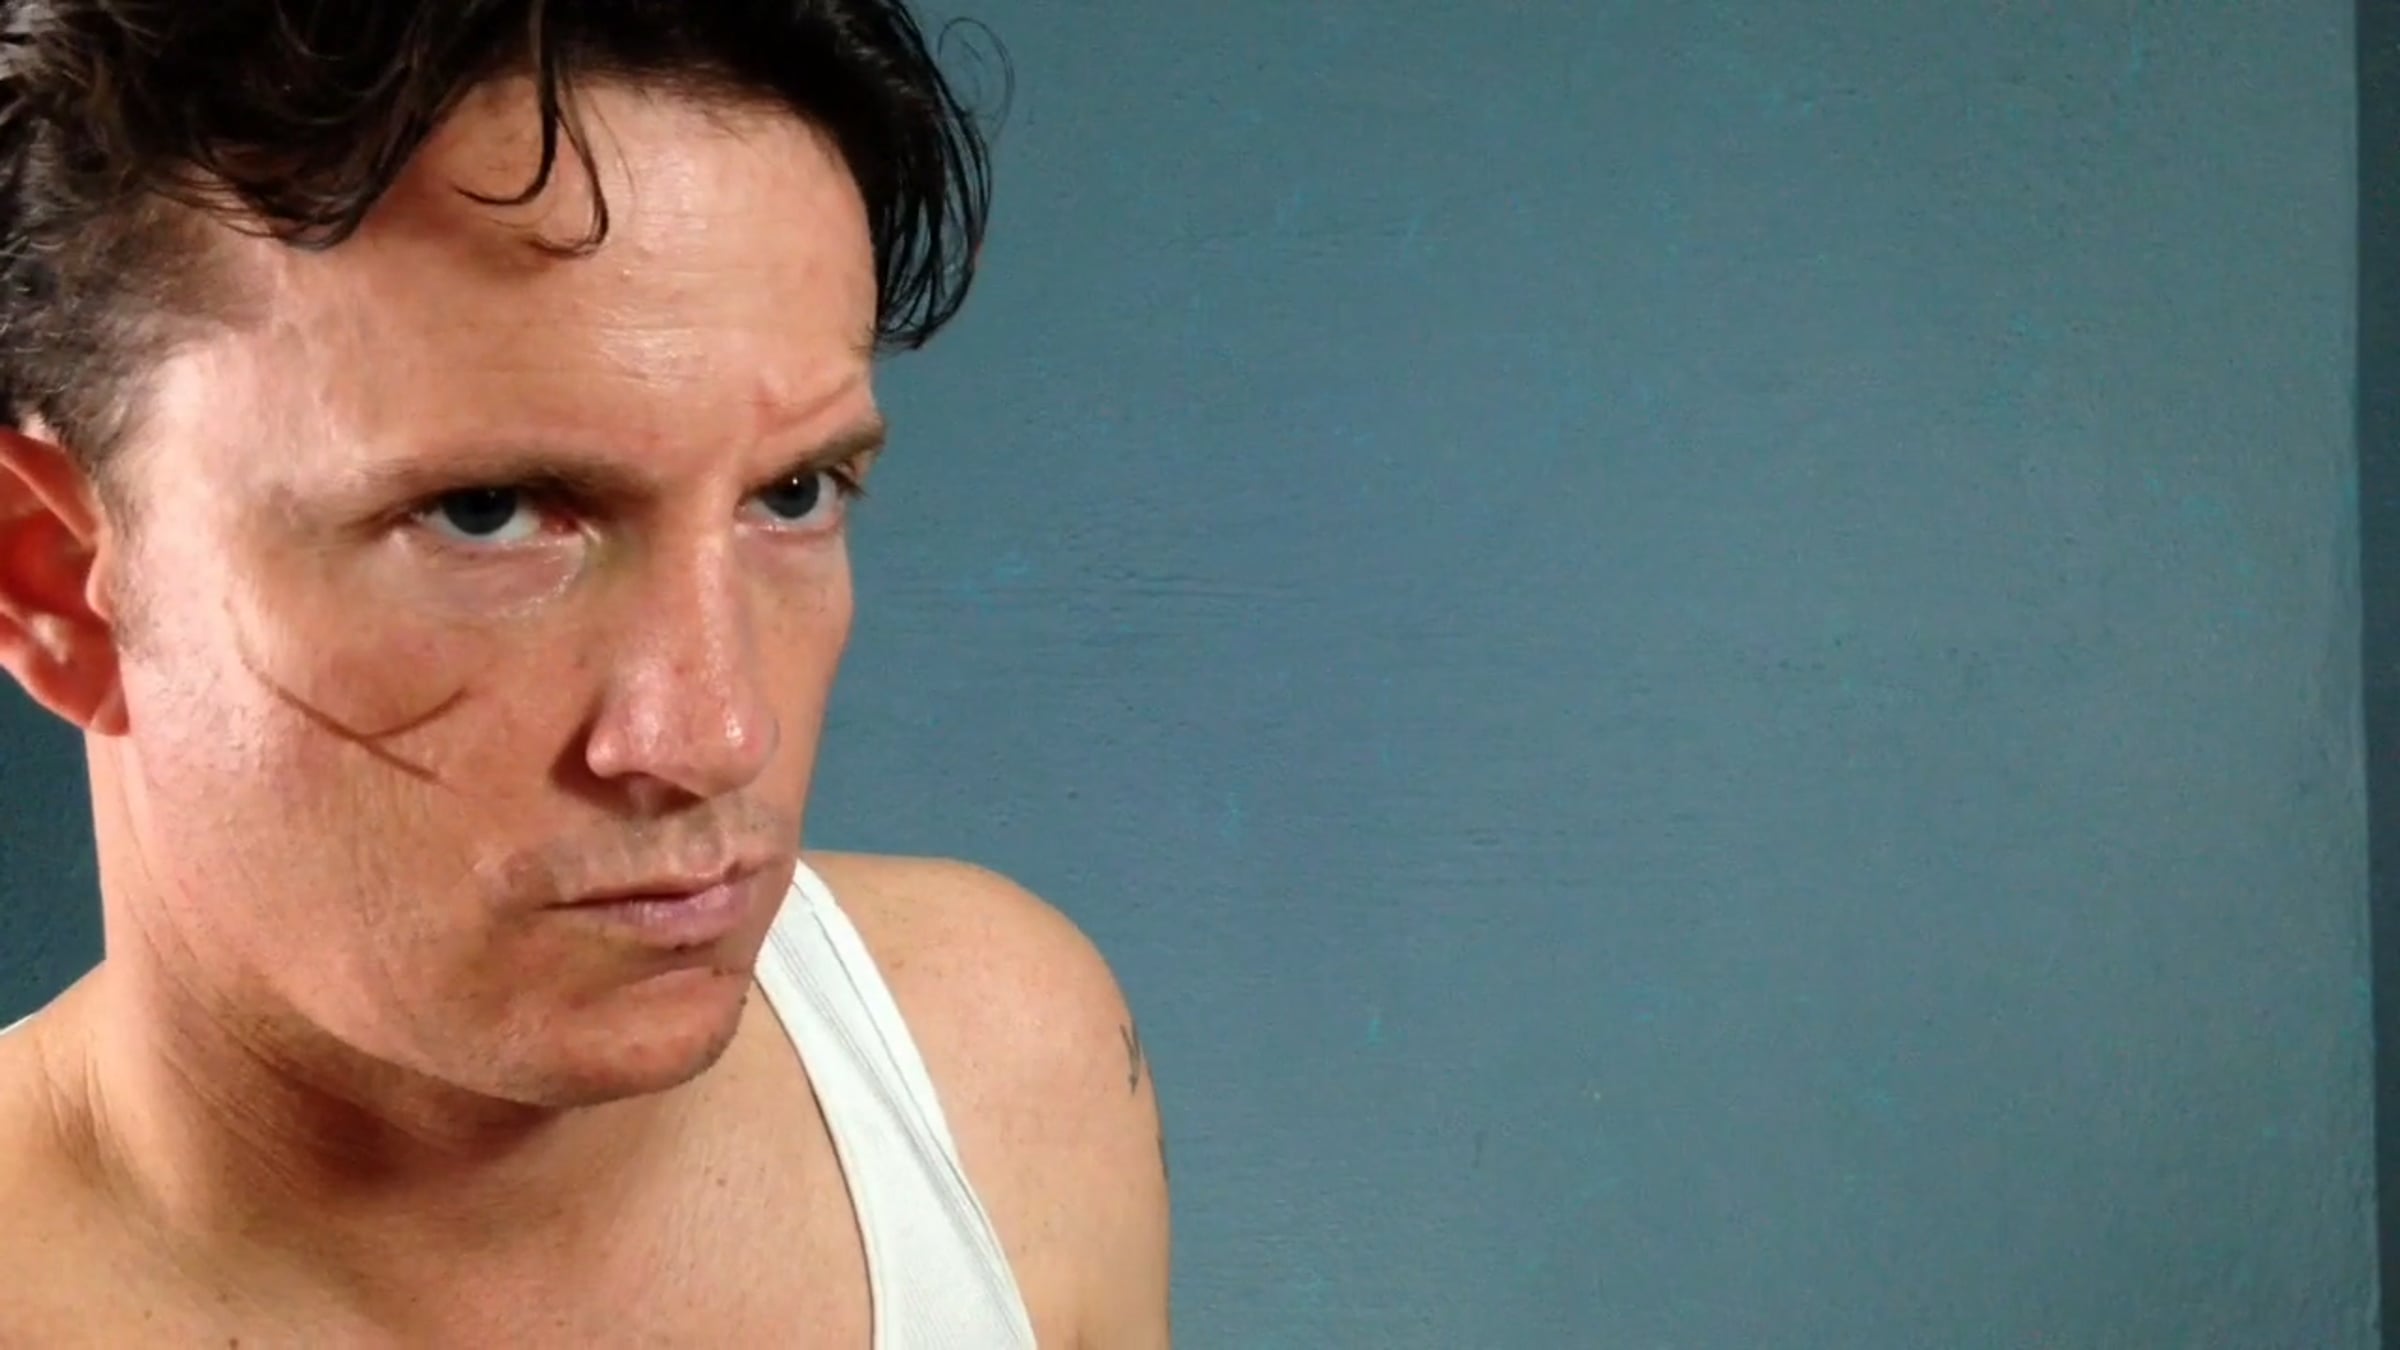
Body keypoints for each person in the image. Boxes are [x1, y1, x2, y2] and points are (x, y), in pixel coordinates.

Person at [0, 1, 1171, 1344]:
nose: (716, 733)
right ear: (58, 588)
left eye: (793, 492)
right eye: (486, 512)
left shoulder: (1002, 1073)